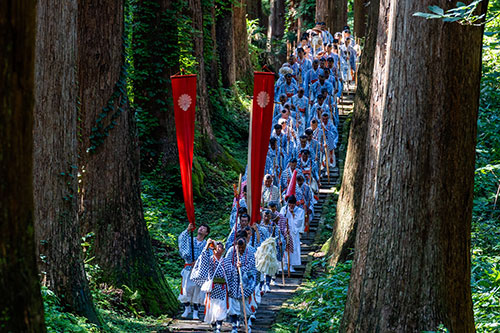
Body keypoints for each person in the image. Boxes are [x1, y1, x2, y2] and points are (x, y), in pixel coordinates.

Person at [191, 239, 231, 333]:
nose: (218, 248)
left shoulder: (226, 262)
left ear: (223, 250)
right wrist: (206, 247)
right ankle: (213, 325)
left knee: (221, 307)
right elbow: (202, 262)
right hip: (212, 288)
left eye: (221, 247)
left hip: (222, 288)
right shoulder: (209, 260)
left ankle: (219, 326)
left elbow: (231, 274)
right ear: (213, 249)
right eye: (217, 247)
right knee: (212, 307)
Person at [226, 233, 257, 333]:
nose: (241, 250)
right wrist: (235, 267)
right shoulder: (231, 251)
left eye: (243, 248)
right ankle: (234, 326)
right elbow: (226, 265)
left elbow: (252, 266)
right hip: (233, 283)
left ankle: (246, 323)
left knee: (246, 307)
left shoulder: (251, 251)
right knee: (233, 306)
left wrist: (242, 268)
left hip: (247, 282)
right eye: (239, 248)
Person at [178, 223, 210, 319]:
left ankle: (196, 312)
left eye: (203, 228)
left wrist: (199, 261)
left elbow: (209, 257)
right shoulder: (189, 240)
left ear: (206, 233)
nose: (201, 229)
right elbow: (181, 241)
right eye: (200, 227)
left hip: (199, 272)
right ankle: (187, 308)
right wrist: (188, 230)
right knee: (186, 289)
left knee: (198, 291)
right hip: (188, 268)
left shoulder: (206, 245)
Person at [279, 195, 304, 272]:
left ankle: (292, 265)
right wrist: (284, 229)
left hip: (293, 233)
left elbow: (299, 223)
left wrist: (293, 215)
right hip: (285, 232)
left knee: (293, 249)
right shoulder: (284, 209)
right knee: (285, 248)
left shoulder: (300, 211)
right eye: (289, 204)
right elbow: (280, 219)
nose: (291, 206)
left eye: (292, 204)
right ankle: (286, 264)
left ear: (295, 204)